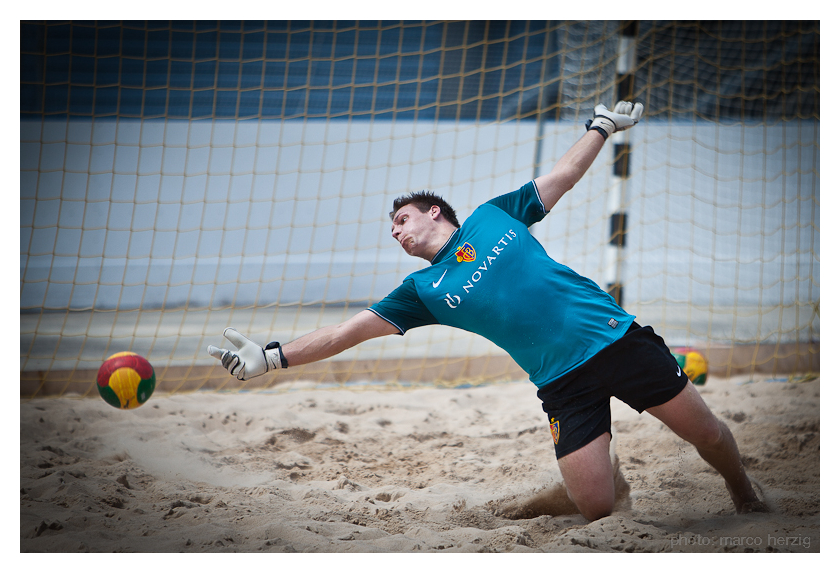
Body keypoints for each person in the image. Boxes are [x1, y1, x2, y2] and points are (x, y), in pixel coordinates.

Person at [208, 102, 767, 520]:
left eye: (401, 220)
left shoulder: (493, 216)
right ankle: (610, 473)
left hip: (616, 340)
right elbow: (345, 333)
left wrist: (600, 127)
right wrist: (273, 356)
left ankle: (743, 489)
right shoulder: (420, 288)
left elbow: (565, 177)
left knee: (709, 436)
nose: (396, 233)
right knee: (596, 506)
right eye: (391, 231)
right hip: (560, 382)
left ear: (433, 212)